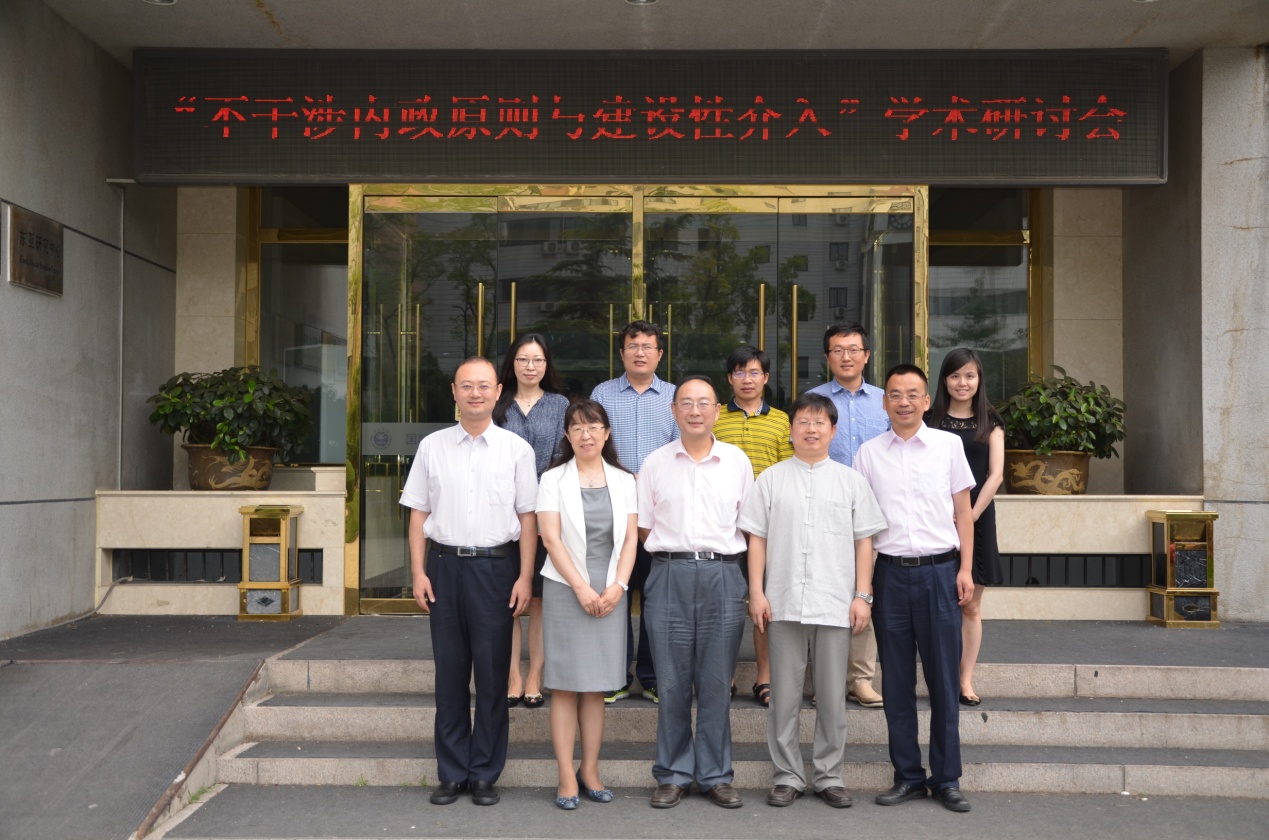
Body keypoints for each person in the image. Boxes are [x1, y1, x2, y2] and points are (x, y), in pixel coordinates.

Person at [399, 357, 538, 807]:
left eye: (483, 386)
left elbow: (528, 519)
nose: (475, 393)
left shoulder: (517, 449)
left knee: (494, 677)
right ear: (454, 392)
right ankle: (452, 772)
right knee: (450, 675)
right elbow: (418, 514)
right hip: (444, 567)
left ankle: (484, 773)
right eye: (466, 386)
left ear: (498, 392)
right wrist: (418, 572)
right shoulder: (432, 447)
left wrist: (524, 577)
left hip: (497, 570)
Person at [742, 393, 886, 808]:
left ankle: (829, 775)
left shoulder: (851, 481)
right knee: (783, 699)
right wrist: (757, 591)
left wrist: (863, 595)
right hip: (783, 600)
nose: (810, 429)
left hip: (835, 602)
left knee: (832, 698)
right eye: (803, 422)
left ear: (833, 431)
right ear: (790, 430)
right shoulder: (771, 479)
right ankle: (787, 776)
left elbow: (864, 542)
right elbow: (756, 539)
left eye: (819, 422)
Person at [853, 364, 976, 813]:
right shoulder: (868, 453)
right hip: (890, 576)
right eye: (895, 394)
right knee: (898, 681)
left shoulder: (948, 446)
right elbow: (862, 527)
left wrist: (966, 569)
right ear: (883, 402)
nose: (903, 402)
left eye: (912, 394)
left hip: (940, 573)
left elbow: (964, 513)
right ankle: (907, 776)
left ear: (926, 401)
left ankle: (946, 779)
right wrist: (863, 587)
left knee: (943, 680)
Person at [638, 375, 753, 809]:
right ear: (673, 411)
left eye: (704, 402)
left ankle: (715, 775)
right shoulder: (656, 462)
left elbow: (748, 525)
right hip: (669, 572)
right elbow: (644, 526)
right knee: (670, 682)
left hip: (723, 574)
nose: (695, 410)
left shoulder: (737, 462)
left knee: (716, 680)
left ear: (717, 410)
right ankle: (672, 774)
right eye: (686, 403)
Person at [537, 400, 639, 810]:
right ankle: (566, 774)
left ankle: (590, 770)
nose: (586, 434)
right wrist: (580, 587)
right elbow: (550, 538)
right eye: (577, 427)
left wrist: (618, 585)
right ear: (567, 435)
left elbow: (630, 539)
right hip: (565, 587)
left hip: (611, 586)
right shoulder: (552, 479)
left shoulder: (625, 480)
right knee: (565, 685)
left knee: (596, 687)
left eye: (594, 426)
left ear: (606, 433)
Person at [590, 320, 679, 705]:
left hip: (661, 515)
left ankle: (653, 676)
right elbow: (592, 444)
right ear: (622, 352)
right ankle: (615, 675)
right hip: (613, 509)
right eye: (632, 346)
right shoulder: (603, 393)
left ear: (660, 354)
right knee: (616, 593)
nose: (639, 352)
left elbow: (682, 450)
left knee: (657, 598)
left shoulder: (675, 396)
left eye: (647, 346)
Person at [805, 322, 889, 709]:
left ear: (866, 355)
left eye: (854, 349)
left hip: (871, 511)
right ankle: (827, 680)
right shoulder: (813, 401)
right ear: (827, 357)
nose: (846, 356)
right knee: (823, 594)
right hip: (824, 511)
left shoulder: (885, 401)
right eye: (838, 350)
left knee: (863, 593)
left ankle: (861, 679)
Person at [712, 345, 792, 708]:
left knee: (765, 603)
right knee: (726, 604)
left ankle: (765, 676)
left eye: (755, 372)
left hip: (769, 527)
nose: (747, 379)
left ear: (766, 378)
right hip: (723, 526)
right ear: (730, 378)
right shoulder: (715, 418)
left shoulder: (782, 421)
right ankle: (724, 675)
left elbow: (788, 472)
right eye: (740, 372)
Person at [493, 333, 569, 710]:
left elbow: (562, 456)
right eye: (523, 359)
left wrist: (540, 496)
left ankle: (535, 673)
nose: (530, 367)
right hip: (500, 514)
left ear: (546, 365)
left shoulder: (559, 404)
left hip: (545, 513)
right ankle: (512, 675)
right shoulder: (498, 402)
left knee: (538, 599)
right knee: (508, 599)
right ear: (512, 363)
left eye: (537, 360)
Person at [926, 348, 1005, 707]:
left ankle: (965, 679)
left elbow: (996, 475)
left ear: (979, 379)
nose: (963, 382)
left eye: (969, 375)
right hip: (934, 518)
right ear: (944, 380)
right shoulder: (930, 420)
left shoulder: (991, 421)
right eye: (955, 375)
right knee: (937, 605)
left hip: (977, 516)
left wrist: (969, 516)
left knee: (970, 605)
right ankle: (939, 676)